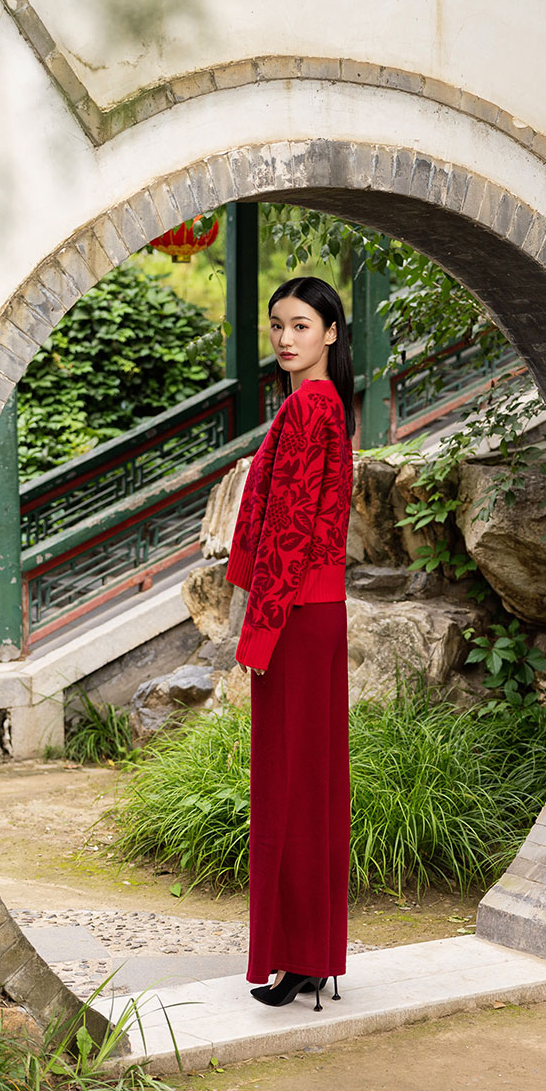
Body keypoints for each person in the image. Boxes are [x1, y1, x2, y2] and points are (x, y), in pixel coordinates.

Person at [225, 276, 355, 1012]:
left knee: (290, 786)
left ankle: (302, 956)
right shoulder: (327, 402)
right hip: (320, 608)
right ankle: (312, 954)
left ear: (331, 332)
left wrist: (260, 625)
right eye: (277, 324)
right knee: (314, 783)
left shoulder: (308, 406)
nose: (284, 337)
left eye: (301, 325)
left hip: (297, 612)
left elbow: (291, 524)